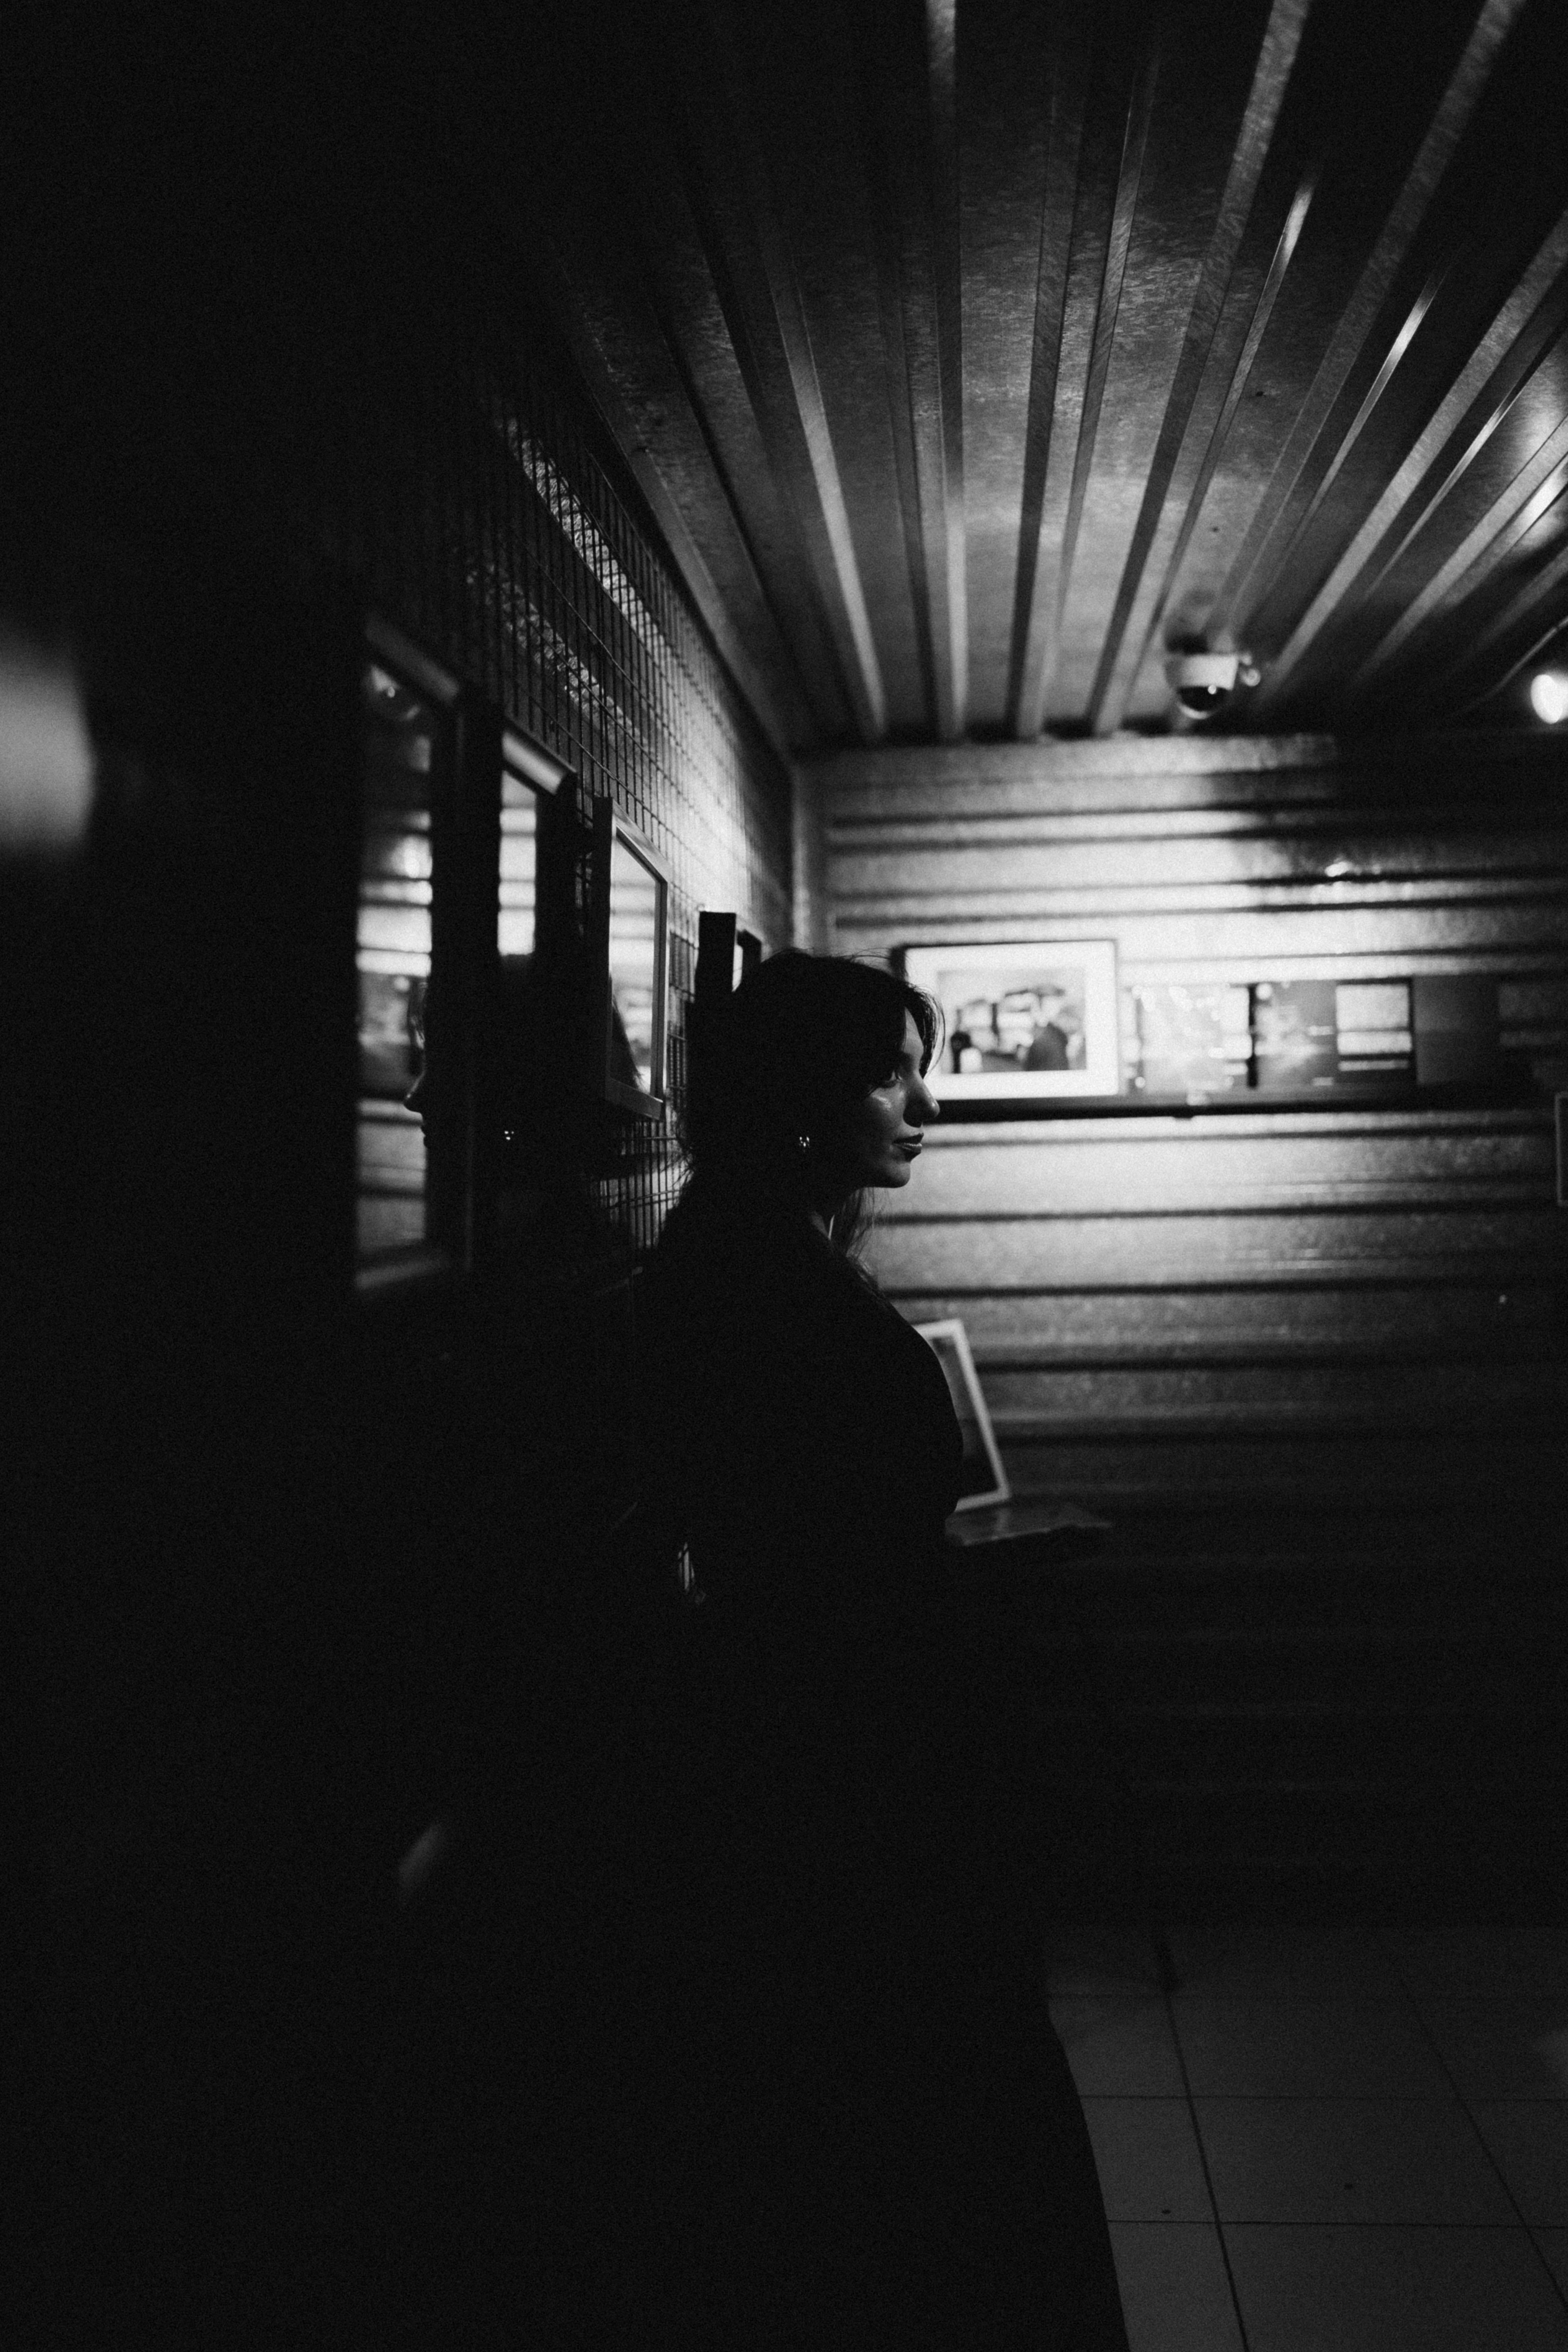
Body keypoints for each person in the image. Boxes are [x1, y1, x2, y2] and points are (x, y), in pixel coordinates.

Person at [637, 951, 1129, 2348]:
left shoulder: (752, 1247)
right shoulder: (758, 1277)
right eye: (889, 1074)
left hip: (853, 1771)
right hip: (854, 1791)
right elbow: (821, 1579)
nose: (924, 1107)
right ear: (800, 1096)